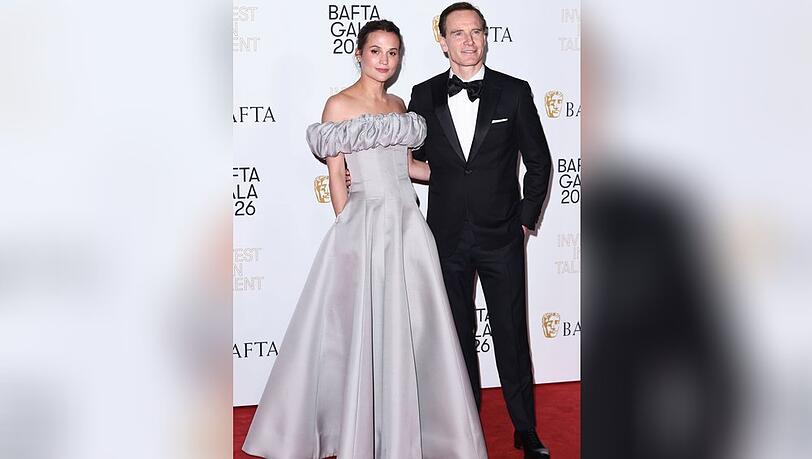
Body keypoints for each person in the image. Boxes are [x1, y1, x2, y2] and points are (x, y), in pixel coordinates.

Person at [242, 20, 488, 459]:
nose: (385, 61)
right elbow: (337, 175)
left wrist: (468, 176)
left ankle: (415, 432)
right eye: (376, 51)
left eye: (393, 53)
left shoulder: (399, 106)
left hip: (410, 227)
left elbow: (410, 167)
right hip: (365, 225)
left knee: (415, 331)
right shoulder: (338, 105)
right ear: (359, 53)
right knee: (358, 333)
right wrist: (348, 227)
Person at [407, 3, 553, 458]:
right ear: (442, 40)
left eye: (476, 32)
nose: (468, 41)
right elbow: (412, 161)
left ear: (486, 37)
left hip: (502, 236)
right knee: (456, 335)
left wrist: (525, 220)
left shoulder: (513, 92)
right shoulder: (423, 94)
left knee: (510, 333)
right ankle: (464, 420)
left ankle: (525, 428)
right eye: (458, 33)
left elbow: (539, 162)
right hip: (446, 237)